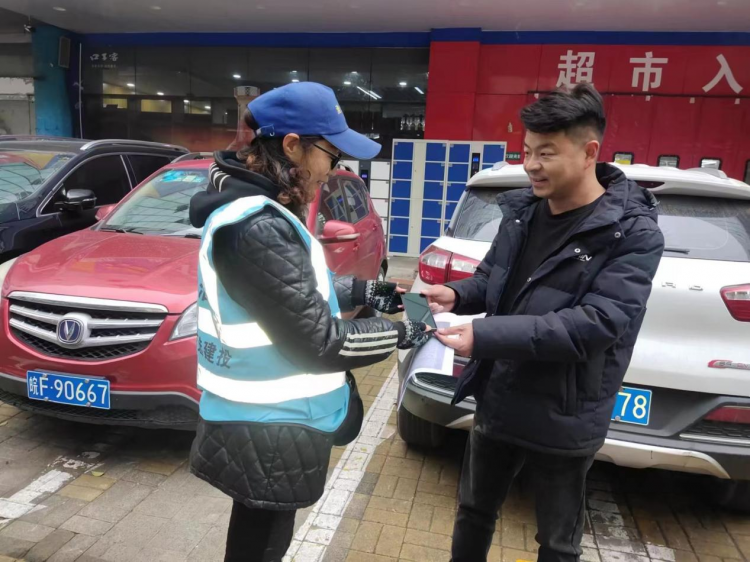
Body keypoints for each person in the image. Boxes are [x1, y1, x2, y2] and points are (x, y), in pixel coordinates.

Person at [188, 82, 431, 562]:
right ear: (292, 145)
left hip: (268, 424)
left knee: (255, 539)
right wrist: (406, 332)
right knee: (260, 547)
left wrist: (366, 292)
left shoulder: (262, 212)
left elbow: (293, 289)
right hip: (270, 428)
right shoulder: (257, 226)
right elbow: (321, 342)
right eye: (331, 155)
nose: (333, 170)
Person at [423, 84, 664, 562]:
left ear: (589, 152)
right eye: (527, 151)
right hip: (500, 394)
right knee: (473, 512)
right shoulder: (523, 214)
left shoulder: (632, 234)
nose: (531, 164)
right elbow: (494, 278)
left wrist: (483, 335)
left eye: (546, 153)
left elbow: (594, 324)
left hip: (565, 411)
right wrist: (458, 294)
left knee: (556, 542)